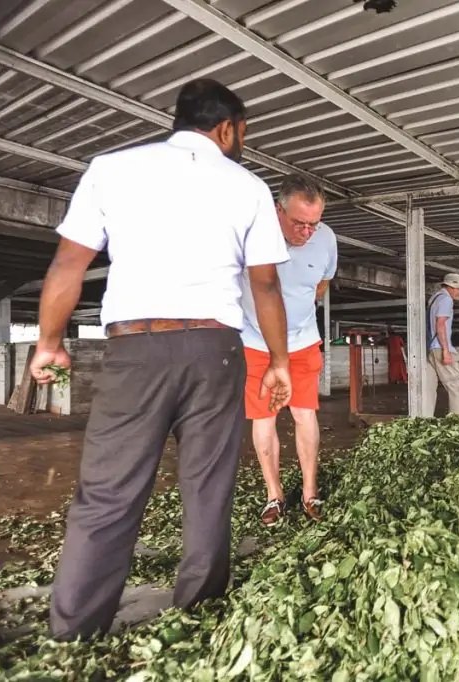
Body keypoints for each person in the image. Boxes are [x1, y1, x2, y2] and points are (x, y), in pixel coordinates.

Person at [30, 79, 293, 641]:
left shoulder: (110, 169)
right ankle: (198, 615)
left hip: (134, 350)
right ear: (227, 128)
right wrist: (278, 361)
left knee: (108, 490)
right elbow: (266, 285)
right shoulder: (248, 186)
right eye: (243, 132)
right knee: (208, 485)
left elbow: (68, 265)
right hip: (214, 352)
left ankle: (74, 632)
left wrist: (49, 342)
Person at [240, 174, 337, 526]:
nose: (307, 232)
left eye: (314, 224)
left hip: (303, 341)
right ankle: (274, 495)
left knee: (304, 414)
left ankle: (310, 492)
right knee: (263, 418)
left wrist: (298, 312)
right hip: (256, 344)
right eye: (299, 223)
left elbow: (322, 283)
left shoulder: (326, 239)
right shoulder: (251, 232)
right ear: (277, 210)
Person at [423, 273, 459, 418]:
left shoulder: (434, 299)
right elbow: (440, 324)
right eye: (458, 288)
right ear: (451, 286)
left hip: (430, 348)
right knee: (457, 387)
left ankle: (424, 419)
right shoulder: (446, 300)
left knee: (428, 389)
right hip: (440, 347)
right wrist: (446, 350)